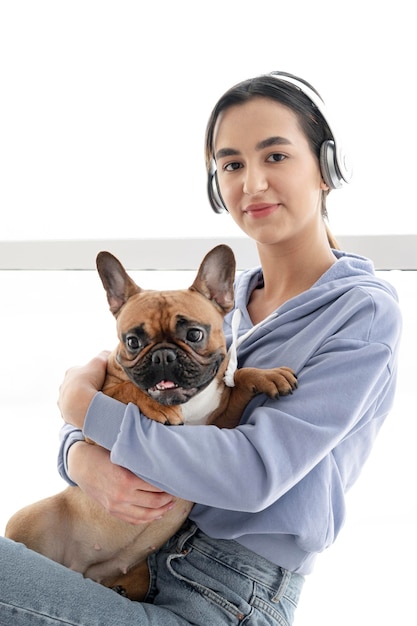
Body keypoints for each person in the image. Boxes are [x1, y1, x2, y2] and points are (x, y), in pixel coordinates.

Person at [0, 71, 402, 625]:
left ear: (326, 169)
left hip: (225, 596)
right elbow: (125, 396)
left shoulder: (361, 312)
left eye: (276, 156)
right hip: (135, 567)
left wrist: (82, 408)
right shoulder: (217, 308)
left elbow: (254, 474)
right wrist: (79, 454)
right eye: (232, 165)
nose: (253, 183)